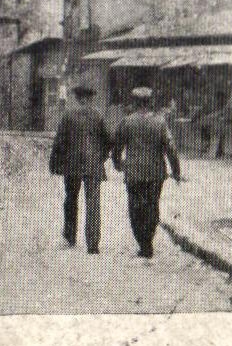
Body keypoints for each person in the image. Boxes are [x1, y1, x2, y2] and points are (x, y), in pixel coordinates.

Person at [112, 85, 181, 260]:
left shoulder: (126, 122)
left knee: (135, 208)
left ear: (134, 102)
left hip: (134, 172)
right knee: (152, 206)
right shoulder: (160, 122)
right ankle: (148, 240)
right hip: (155, 173)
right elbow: (171, 148)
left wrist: (118, 163)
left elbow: (117, 146)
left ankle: (143, 243)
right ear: (149, 102)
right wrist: (176, 171)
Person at [49, 82, 112, 255]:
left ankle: (70, 236)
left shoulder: (68, 116)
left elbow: (59, 142)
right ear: (90, 98)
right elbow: (108, 140)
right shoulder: (98, 116)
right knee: (93, 203)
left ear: (77, 98)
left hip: (72, 164)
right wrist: (101, 156)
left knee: (71, 199)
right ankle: (93, 244)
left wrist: (54, 162)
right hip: (93, 164)